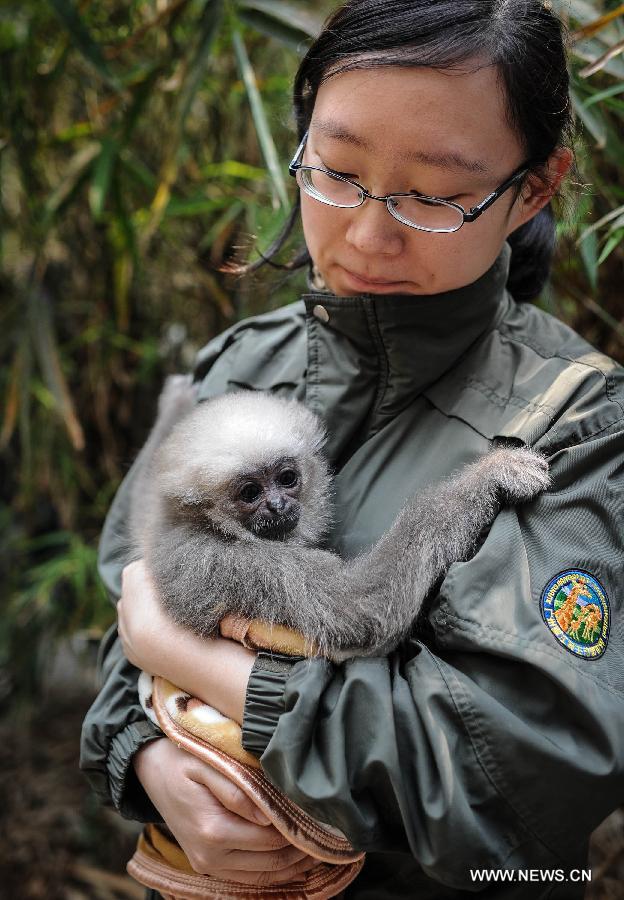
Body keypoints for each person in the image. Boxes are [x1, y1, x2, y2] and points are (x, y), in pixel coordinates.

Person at [80, 1, 624, 897]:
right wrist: (146, 759)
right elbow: (121, 609)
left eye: (436, 195)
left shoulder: (582, 427)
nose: (369, 235)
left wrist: (211, 675)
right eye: (335, 172)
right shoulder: (238, 368)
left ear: (534, 187)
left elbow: (508, 792)